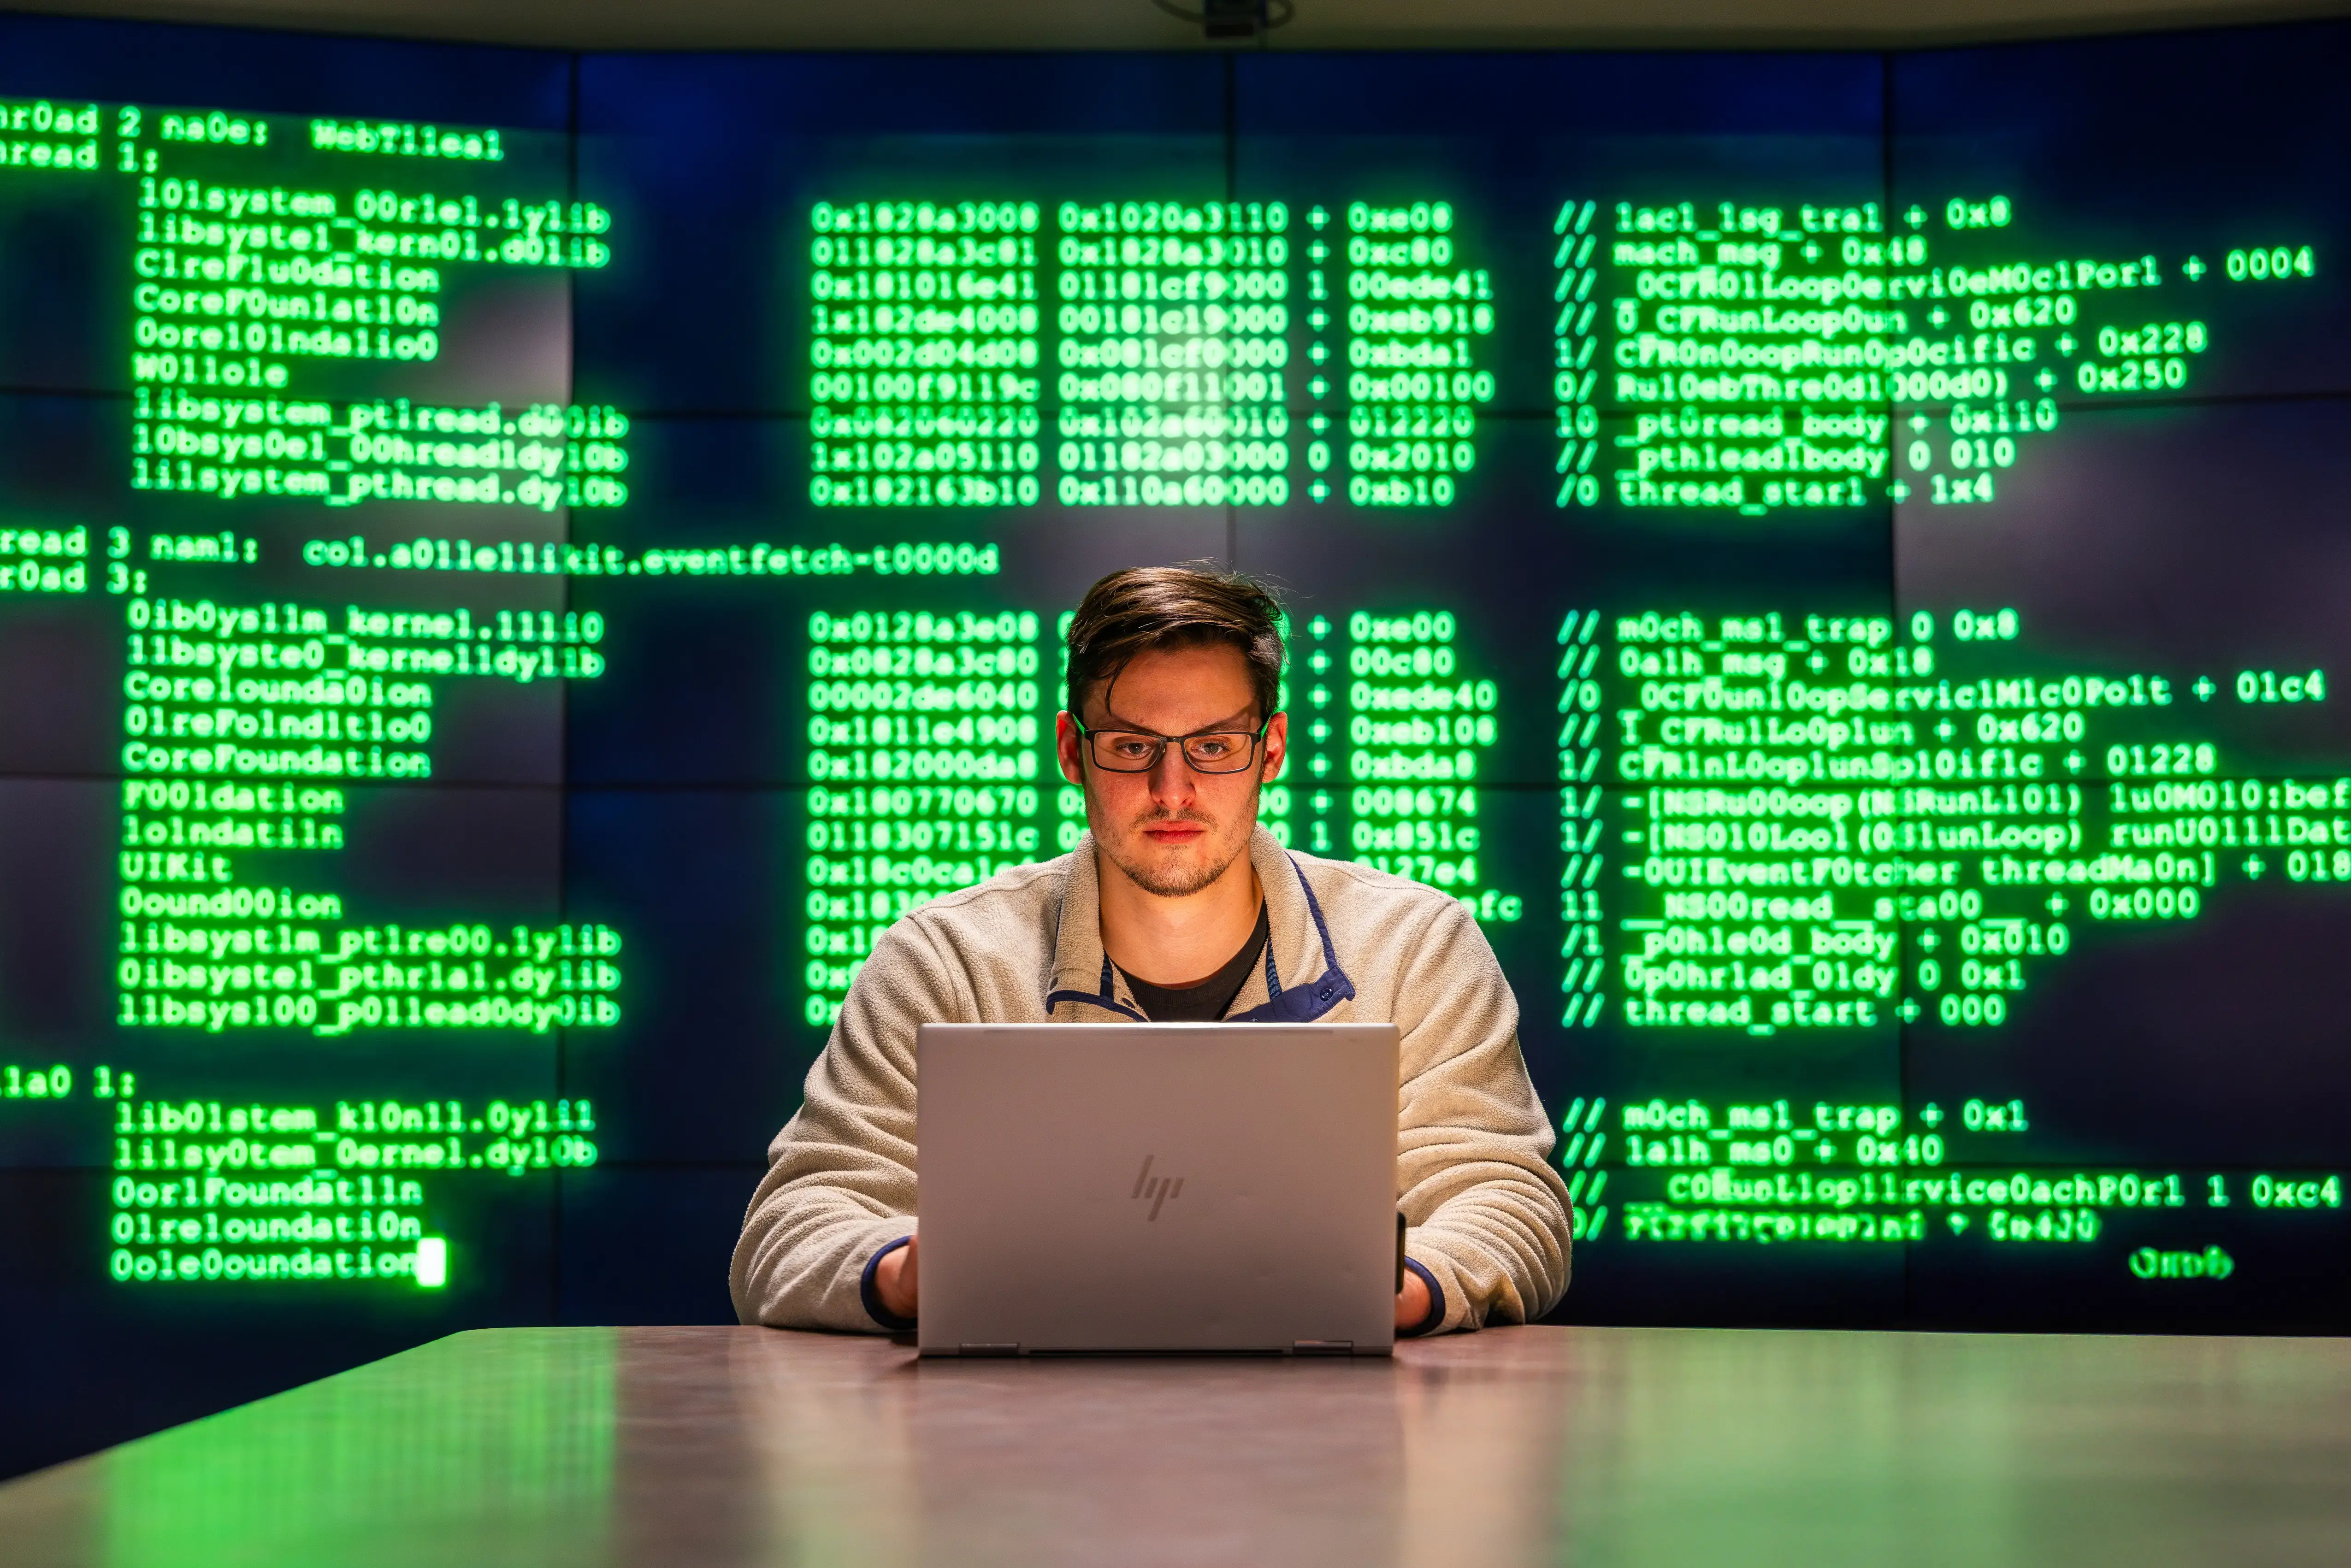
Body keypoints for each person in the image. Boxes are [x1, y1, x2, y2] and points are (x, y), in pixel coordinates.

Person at [731, 565, 1572, 1336]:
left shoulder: (1416, 948)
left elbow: (1507, 1198)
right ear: (1072, 751)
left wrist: (1407, 1287)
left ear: (1270, 750)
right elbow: (792, 1224)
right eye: (1133, 747)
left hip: (1344, 1451)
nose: (1174, 790)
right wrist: (906, 1275)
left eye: (1213, 746)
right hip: (1010, 1455)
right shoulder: (943, 962)